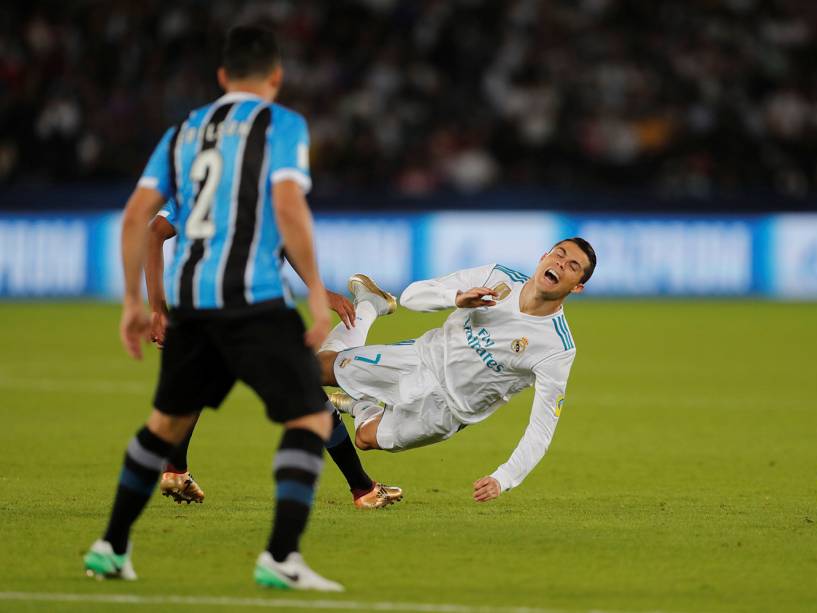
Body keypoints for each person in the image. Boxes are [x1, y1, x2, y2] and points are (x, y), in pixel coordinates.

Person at [83, 25, 343, 591]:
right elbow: (288, 204)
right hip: (252, 298)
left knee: (164, 426)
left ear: (222, 77)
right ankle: (280, 557)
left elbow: (137, 218)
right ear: (275, 77)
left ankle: (112, 545)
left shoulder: (183, 131)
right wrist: (319, 294)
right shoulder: (283, 124)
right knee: (310, 417)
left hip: (191, 302)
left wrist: (135, 301)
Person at [145, 200, 403, 509]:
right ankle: (364, 489)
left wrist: (158, 310)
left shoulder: (197, 178)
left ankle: (175, 470)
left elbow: (155, 233)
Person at [314, 238, 596, 501]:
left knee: (365, 438)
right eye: (559, 254)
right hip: (417, 359)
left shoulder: (556, 348)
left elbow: (542, 426)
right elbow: (412, 295)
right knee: (316, 369)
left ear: (577, 287)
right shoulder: (496, 278)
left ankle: (356, 402)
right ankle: (370, 305)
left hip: (446, 410)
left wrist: (504, 476)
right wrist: (455, 298)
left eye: (573, 266)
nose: (561, 263)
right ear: (543, 257)